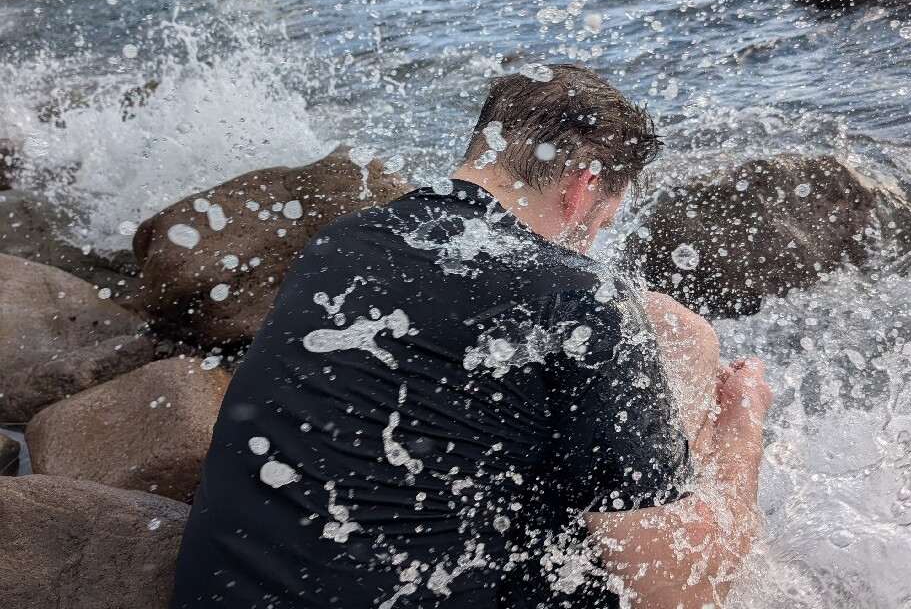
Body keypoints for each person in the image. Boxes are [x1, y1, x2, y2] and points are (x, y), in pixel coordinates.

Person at [169, 64, 771, 609]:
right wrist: (740, 430)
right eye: (603, 221)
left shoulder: (343, 240)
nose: (593, 244)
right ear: (583, 186)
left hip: (225, 594)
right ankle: (678, 499)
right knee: (683, 363)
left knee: (671, 326)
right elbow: (672, 591)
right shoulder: (582, 298)